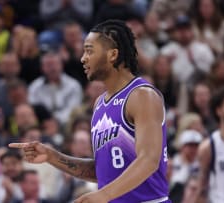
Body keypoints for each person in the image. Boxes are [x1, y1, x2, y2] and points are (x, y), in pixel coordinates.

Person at [10, 19, 170, 203]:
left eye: (89, 50)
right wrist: (53, 157)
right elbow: (103, 171)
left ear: (113, 55)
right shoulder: (100, 103)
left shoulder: (141, 95)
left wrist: (103, 195)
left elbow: (149, 160)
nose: (83, 58)